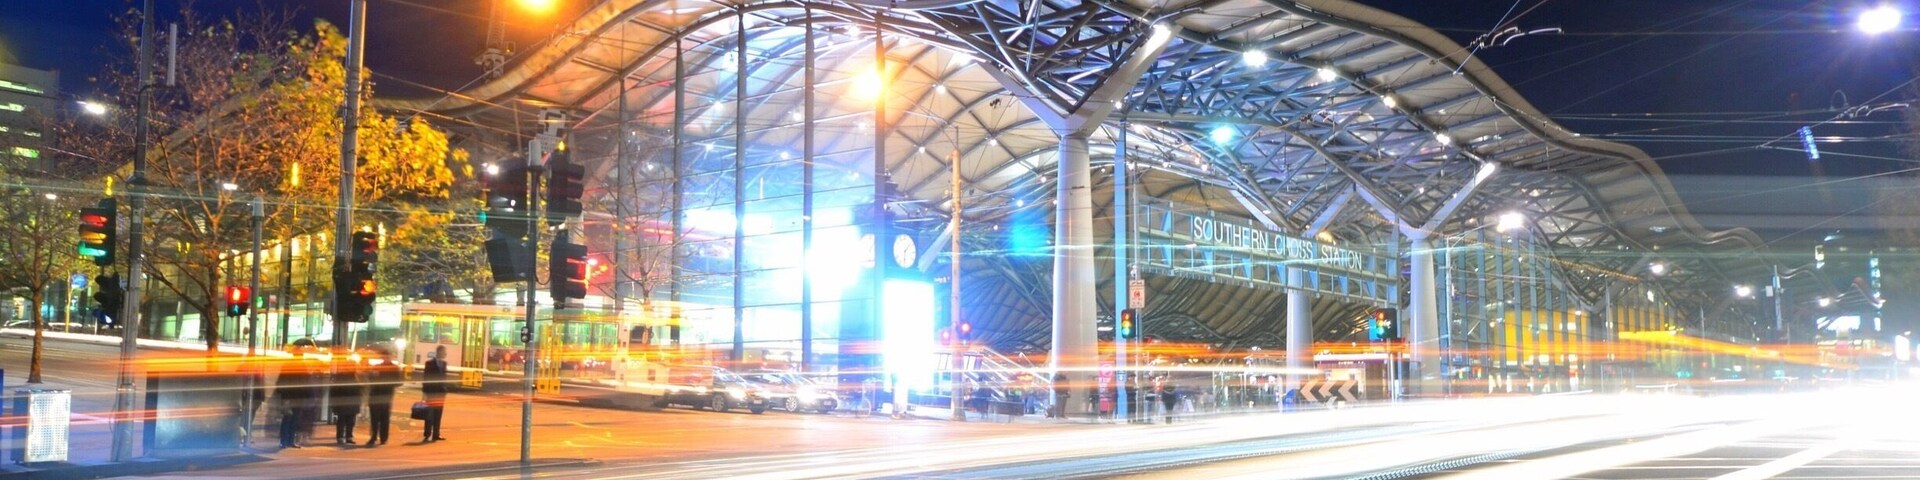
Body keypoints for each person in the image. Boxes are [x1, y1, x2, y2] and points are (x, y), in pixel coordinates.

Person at [364, 349, 399, 446]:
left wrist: (387, 382)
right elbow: (370, 379)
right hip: (375, 395)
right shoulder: (377, 367)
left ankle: (384, 437)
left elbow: (398, 382)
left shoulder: (394, 368)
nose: (385, 358)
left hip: (386, 396)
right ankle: (373, 436)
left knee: (384, 417)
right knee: (374, 418)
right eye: (384, 356)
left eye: (387, 356)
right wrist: (373, 375)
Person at [330, 353, 365, 445]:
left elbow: (361, 388)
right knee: (342, 420)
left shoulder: (356, 376)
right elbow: (335, 390)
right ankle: (341, 437)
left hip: (351, 402)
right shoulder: (343, 377)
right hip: (344, 402)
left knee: (350, 420)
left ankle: (347, 436)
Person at [421, 344, 449, 443]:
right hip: (431, 393)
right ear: (439, 352)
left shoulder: (444, 364)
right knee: (429, 414)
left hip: (440, 394)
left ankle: (436, 434)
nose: (445, 354)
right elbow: (426, 378)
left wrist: (445, 390)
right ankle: (427, 433)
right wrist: (424, 392)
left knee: (438, 414)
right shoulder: (429, 363)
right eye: (444, 352)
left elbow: (444, 378)